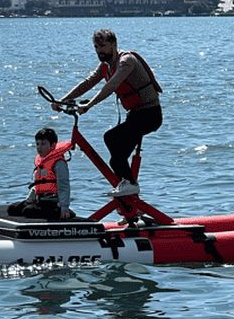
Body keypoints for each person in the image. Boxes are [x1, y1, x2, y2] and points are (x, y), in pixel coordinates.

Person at [53, 28, 162, 197]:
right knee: (116, 159)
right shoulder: (105, 66)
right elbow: (87, 83)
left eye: (103, 46)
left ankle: (130, 185)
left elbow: (111, 86)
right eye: (96, 47)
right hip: (134, 115)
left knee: (111, 139)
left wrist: (89, 104)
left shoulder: (126, 61)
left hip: (150, 114)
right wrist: (62, 100)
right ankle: (130, 201)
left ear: (114, 44)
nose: (99, 50)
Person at [8, 127, 75, 220]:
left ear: (53, 145)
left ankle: (61, 213)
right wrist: (29, 199)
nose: (39, 147)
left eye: (43, 144)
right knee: (12, 209)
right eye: (37, 144)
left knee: (28, 211)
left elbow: (64, 186)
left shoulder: (59, 163)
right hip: (40, 200)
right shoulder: (41, 161)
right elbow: (37, 185)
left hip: (54, 203)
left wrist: (64, 207)